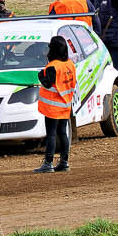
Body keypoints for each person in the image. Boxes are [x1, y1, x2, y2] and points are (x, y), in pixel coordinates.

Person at [34, 34, 76, 174]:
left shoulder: (53, 66)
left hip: (53, 107)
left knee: (51, 134)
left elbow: (47, 83)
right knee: (62, 133)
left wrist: (41, 75)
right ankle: (64, 162)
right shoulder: (69, 64)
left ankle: (48, 163)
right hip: (65, 104)